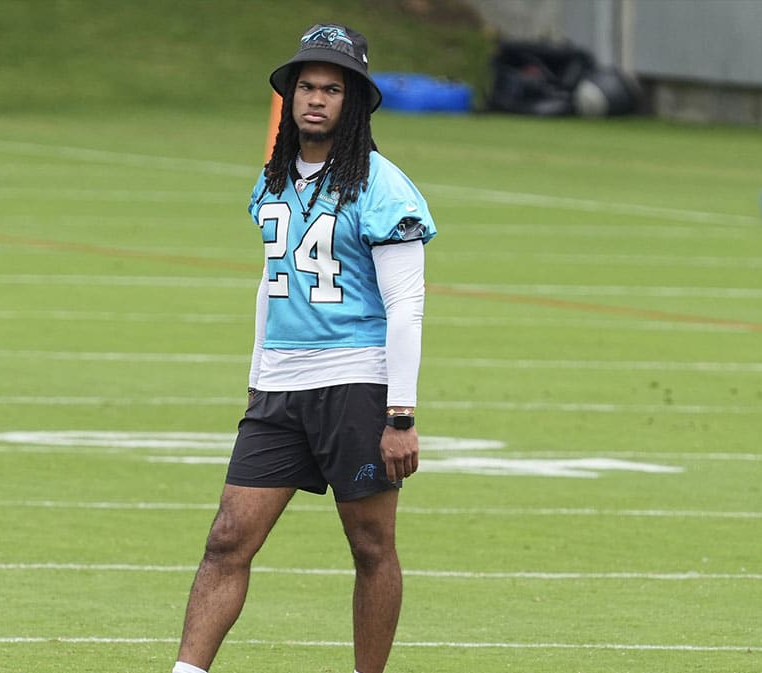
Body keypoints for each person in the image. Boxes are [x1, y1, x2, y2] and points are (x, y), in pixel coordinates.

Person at [172, 23, 436, 673]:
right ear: (290, 97)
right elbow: (270, 280)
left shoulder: (383, 185)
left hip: (355, 381)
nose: (316, 99)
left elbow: (406, 302)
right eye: (307, 86)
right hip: (281, 385)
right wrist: (257, 374)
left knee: (371, 545)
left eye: (332, 88)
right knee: (227, 537)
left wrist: (400, 414)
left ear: (354, 102)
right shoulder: (272, 179)